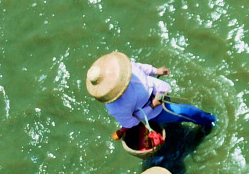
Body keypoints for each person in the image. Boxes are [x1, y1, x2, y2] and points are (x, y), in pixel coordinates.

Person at [85, 51, 216, 133]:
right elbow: (132, 122)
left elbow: (138, 67)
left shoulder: (120, 67)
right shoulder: (116, 107)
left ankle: (170, 125)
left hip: (159, 90)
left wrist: (155, 70)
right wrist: (153, 105)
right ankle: (212, 121)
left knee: (179, 115)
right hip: (156, 110)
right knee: (187, 113)